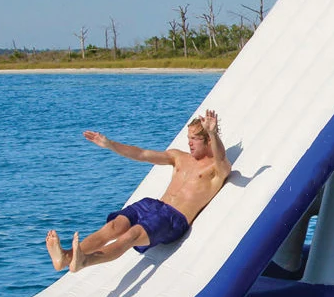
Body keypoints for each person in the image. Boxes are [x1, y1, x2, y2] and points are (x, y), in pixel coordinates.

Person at [46, 109, 232, 273]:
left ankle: (86, 261)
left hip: (173, 219)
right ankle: (65, 257)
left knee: (130, 236)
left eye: (195, 139)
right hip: (153, 205)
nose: (189, 144)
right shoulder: (178, 157)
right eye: (188, 138)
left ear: (208, 140)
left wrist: (212, 133)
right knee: (113, 227)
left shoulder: (216, 169)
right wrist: (111, 145)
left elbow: (222, 159)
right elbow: (141, 154)